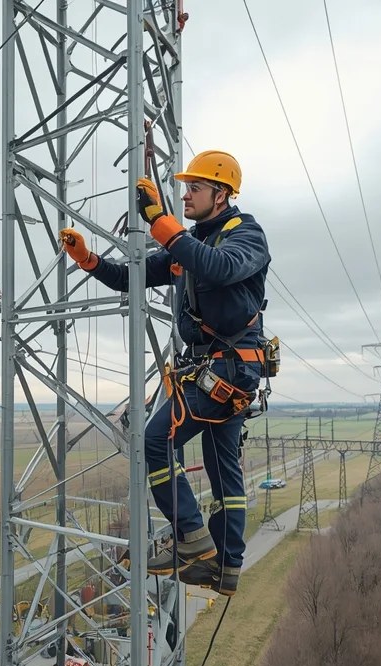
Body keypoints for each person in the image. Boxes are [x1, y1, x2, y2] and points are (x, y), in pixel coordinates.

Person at [58, 150, 270, 596]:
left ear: (222, 194)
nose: (185, 195)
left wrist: (161, 222)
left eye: (195, 188)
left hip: (228, 368)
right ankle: (225, 567)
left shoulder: (245, 234)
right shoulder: (187, 245)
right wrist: (89, 260)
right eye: (186, 187)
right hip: (220, 371)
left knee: (156, 439)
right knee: (223, 470)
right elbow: (129, 277)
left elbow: (220, 267)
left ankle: (191, 538)